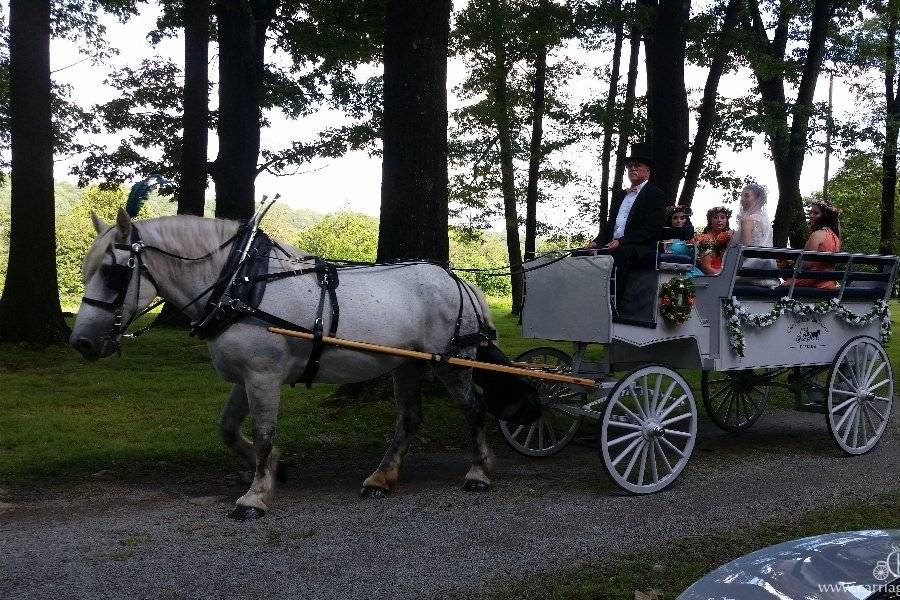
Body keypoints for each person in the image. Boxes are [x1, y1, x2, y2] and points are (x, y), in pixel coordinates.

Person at [586, 143, 666, 299]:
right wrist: (597, 241)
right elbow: (610, 225)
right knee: (580, 254)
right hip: (615, 243)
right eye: (630, 166)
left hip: (639, 247)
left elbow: (652, 228)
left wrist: (622, 241)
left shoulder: (656, 194)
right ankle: (585, 299)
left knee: (621, 254)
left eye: (637, 166)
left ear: (648, 171)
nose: (632, 169)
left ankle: (614, 304)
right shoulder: (622, 195)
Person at [785, 200, 842, 289]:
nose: (811, 216)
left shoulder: (817, 234)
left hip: (813, 281)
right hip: (829, 282)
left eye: (815, 213)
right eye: (810, 212)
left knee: (776, 287)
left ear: (825, 216)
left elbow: (805, 264)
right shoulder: (835, 237)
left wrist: (790, 264)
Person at [733, 183, 780, 288]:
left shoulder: (747, 220)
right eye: (742, 196)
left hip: (750, 270)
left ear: (758, 198)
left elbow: (745, 249)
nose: (742, 199)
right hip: (768, 268)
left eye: (746, 196)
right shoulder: (766, 221)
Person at [692, 206, 733, 275]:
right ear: (710, 221)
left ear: (727, 220)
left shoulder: (731, 237)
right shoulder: (704, 238)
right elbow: (705, 267)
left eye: (722, 217)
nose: (719, 220)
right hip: (709, 274)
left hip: (727, 272)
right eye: (715, 217)